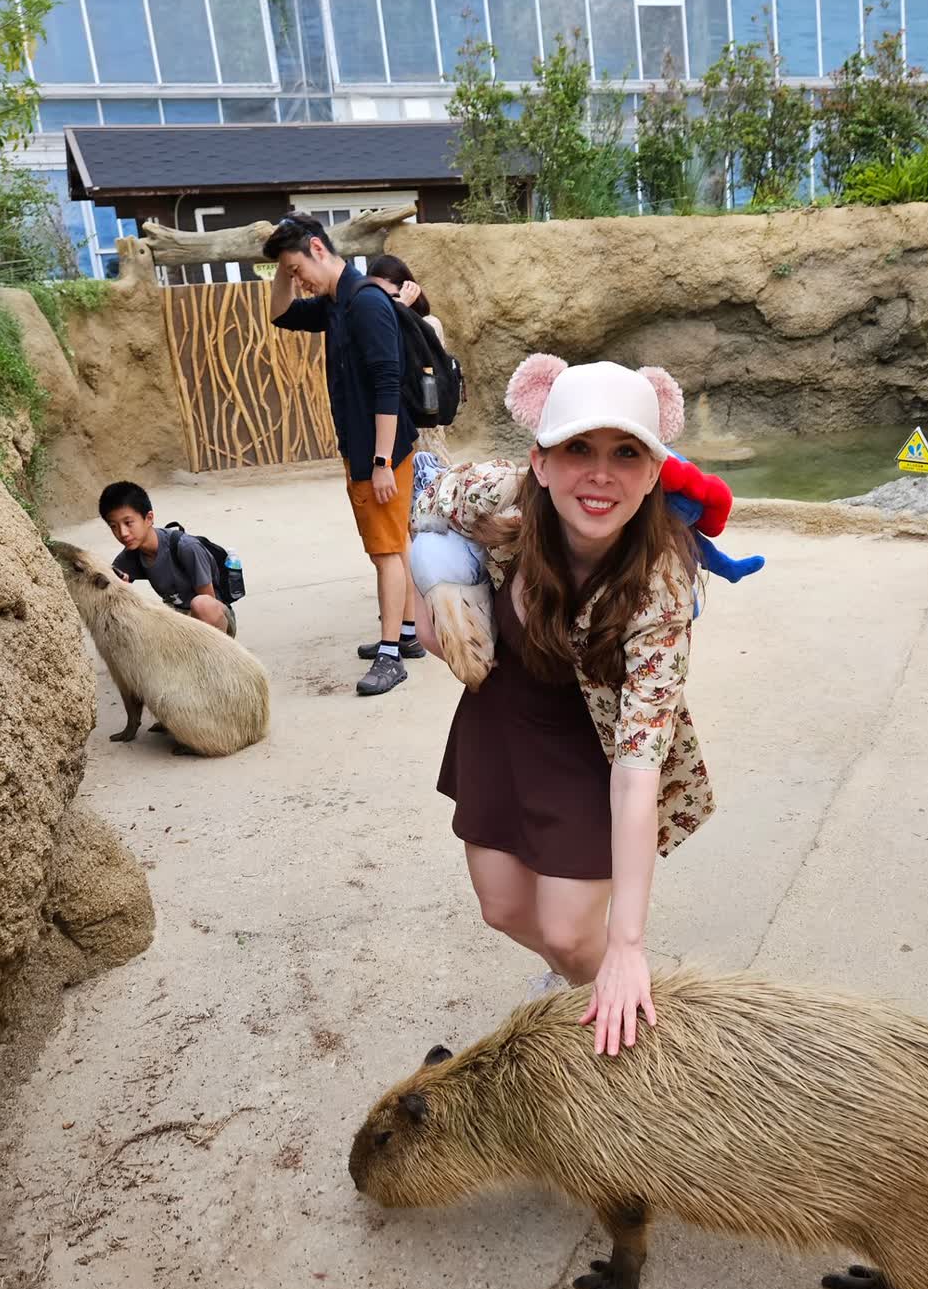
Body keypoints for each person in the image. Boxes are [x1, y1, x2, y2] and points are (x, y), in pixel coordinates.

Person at [412, 356, 714, 1058]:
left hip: (594, 751)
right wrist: (440, 596)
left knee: (573, 934)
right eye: (578, 448)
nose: (600, 474)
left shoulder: (661, 586)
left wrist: (628, 943)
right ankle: (585, 984)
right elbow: (425, 505)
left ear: (654, 472)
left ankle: (641, 1027)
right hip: (500, 724)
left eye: (626, 453)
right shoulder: (496, 495)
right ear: (540, 462)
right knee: (502, 908)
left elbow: (638, 771)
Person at [265, 214, 420, 696]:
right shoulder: (335, 301)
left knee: (385, 552)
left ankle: (391, 656)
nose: (298, 281)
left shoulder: (364, 302)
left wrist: (380, 462)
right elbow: (280, 314)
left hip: (379, 454)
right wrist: (282, 268)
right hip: (369, 449)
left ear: (318, 248)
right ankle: (407, 634)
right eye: (290, 274)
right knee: (395, 543)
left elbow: (388, 384)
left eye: (297, 269)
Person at [100, 482, 236, 638]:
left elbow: (209, 603)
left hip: (215, 621)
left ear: (149, 518)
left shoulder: (187, 547)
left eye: (128, 523)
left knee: (201, 604)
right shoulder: (129, 555)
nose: (123, 533)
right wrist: (120, 587)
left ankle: (212, 653)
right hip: (177, 618)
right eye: (113, 526)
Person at [365, 253, 454, 470]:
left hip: (423, 425)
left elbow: (415, 360)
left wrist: (400, 309)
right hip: (391, 422)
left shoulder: (429, 324)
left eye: (390, 297)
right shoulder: (374, 325)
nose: (385, 304)